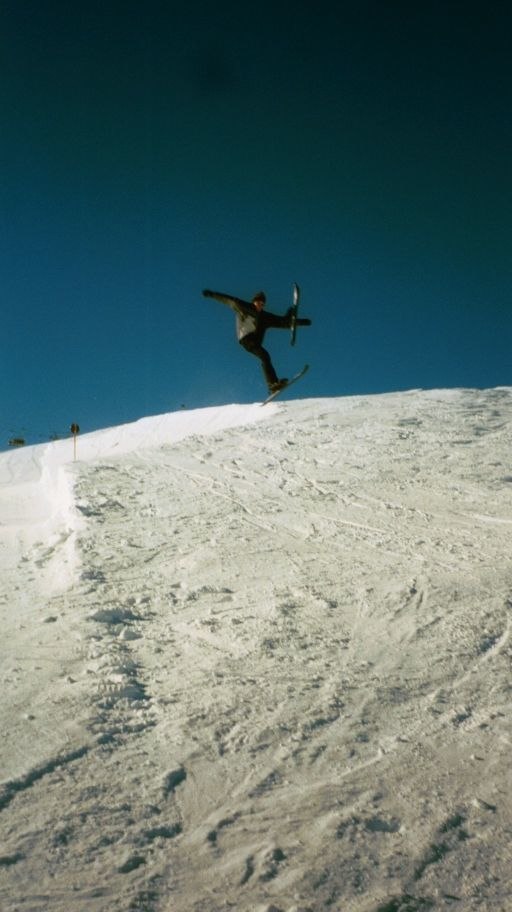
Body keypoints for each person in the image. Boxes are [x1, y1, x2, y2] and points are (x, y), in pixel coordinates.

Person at [202, 288, 311, 393]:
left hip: (256, 339)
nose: (260, 306)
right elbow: (229, 300)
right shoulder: (243, 307)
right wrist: (212, 294)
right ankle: (272, 384)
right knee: (265, 356)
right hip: (246, 340)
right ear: (253, 302)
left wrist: (301, 322)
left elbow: (278, 321)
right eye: (258, 303)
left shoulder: (263, 315)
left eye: (262, 304)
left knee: (273, 321)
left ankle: (289, 317)